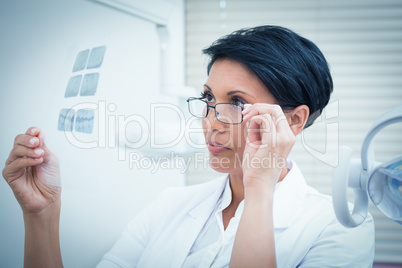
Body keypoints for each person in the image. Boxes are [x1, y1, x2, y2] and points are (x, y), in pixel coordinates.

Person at [2, 25, 374, 268]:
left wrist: (260, 191)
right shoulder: (170, 205)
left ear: (293, 121)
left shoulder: (340, 228)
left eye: (237, 103)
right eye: (209, 98)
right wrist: (42, 217)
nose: (210, 120)